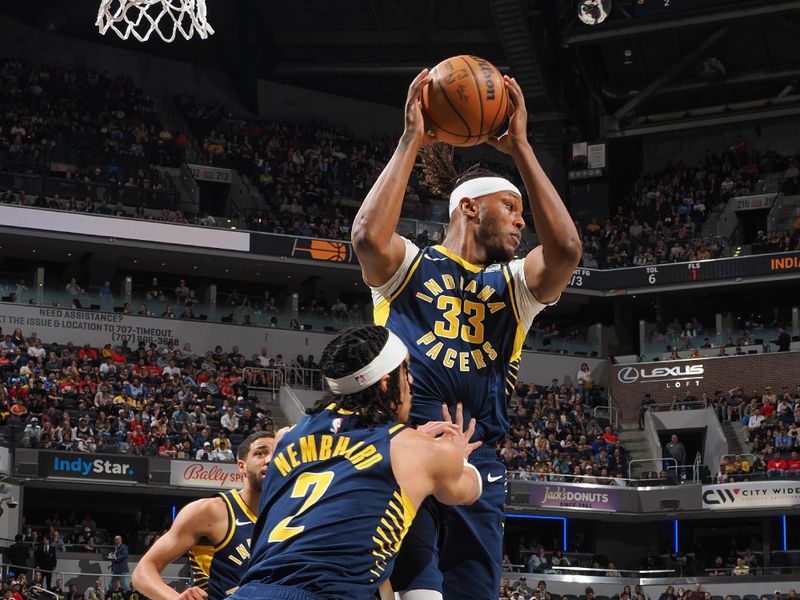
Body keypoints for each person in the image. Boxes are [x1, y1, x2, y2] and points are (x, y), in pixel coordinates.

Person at [351, 71, 580, 600]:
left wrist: (521, 146)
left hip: (481, 459)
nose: (523, 223)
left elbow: (566, 250)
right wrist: (412, 139)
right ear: (470, 208)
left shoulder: (517, 283)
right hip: (408, 447)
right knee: (412, 591)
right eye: (512, 208)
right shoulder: (408, 265)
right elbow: (365, 235)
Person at [231, 325, 482, 600]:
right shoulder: (415, 450)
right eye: (406, 372)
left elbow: (340, 453)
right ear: (387, 384)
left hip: (249, 592)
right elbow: (468, 490)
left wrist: (409, 441)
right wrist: (458, 455)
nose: (411, 383)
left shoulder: (286, 437)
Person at [133, 432, 275, 600]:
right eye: (260, 453)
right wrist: (174, 598)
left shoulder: (291, 516)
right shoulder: (210, 511)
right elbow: (143, 571)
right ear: (241, 466)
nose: (269, 460)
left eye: (277, 454)